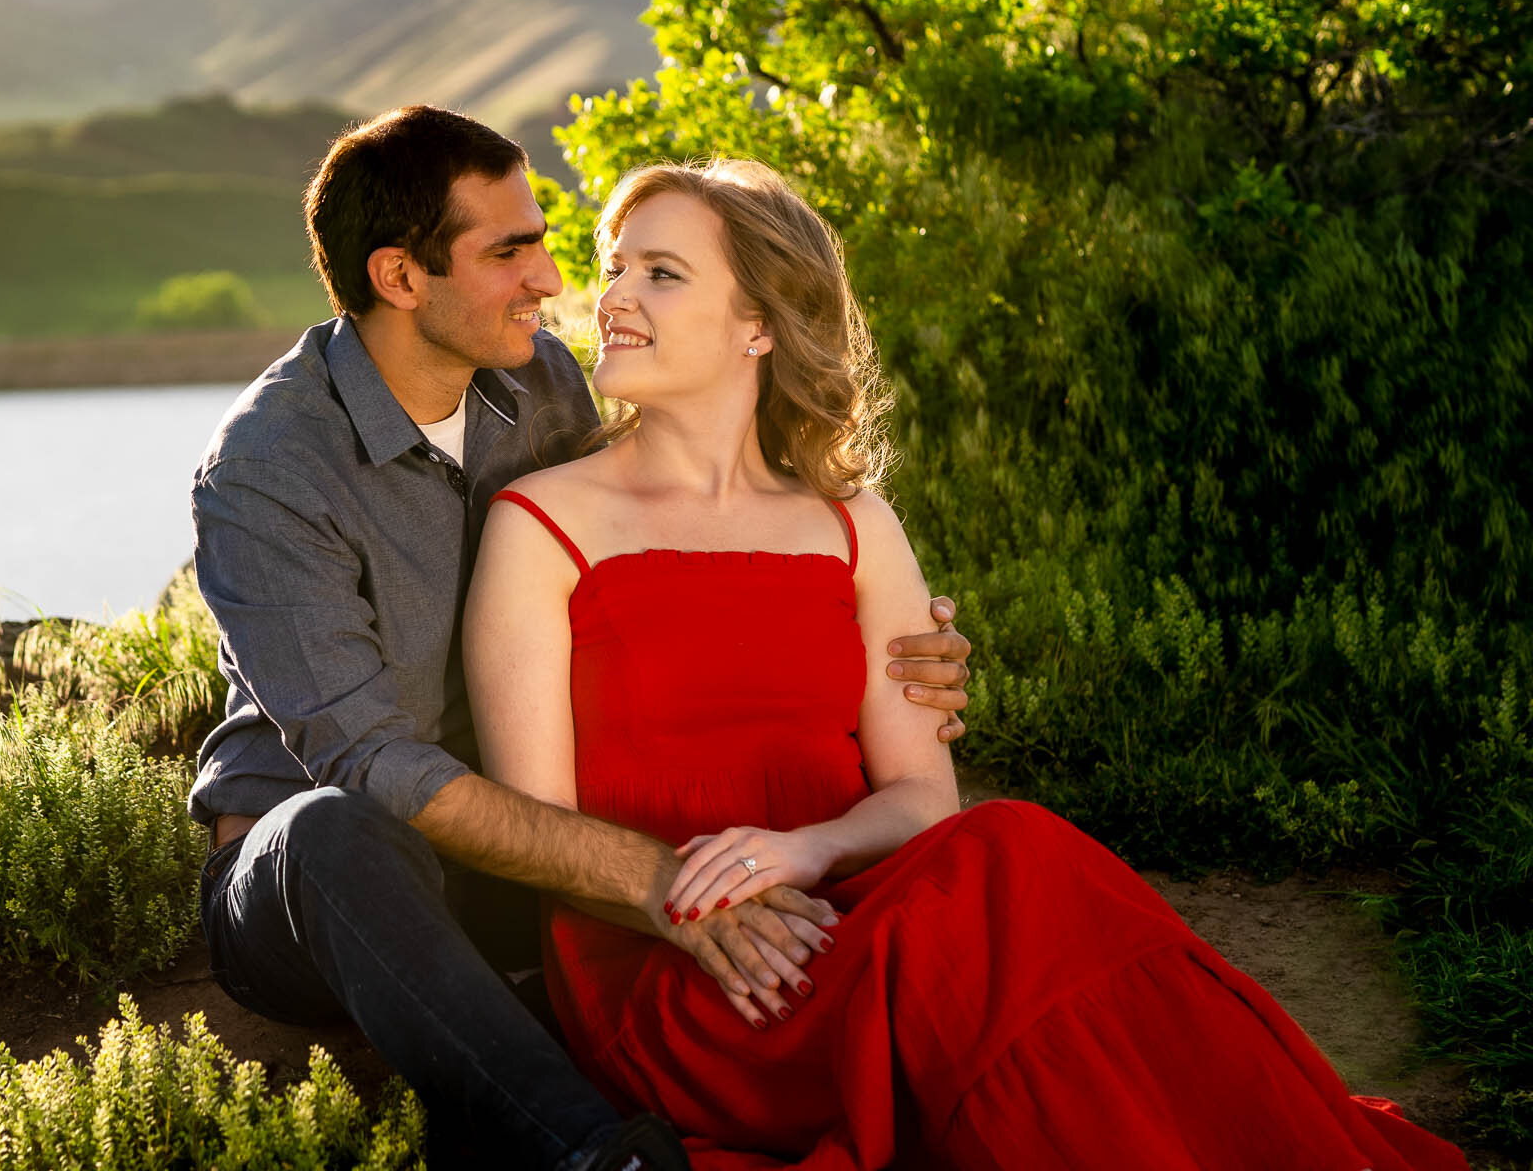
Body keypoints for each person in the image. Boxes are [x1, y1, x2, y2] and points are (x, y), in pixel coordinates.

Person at [463, 158, 1467, 1171]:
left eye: (662, 274)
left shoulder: (856, 528)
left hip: (853, 918)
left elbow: (918, 800)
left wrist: (805, 848)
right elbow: (536, 832)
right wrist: (694, 899)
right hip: (689, 967)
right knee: (1003, 877)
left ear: (759, 323)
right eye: (615, 266)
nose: (616, 298)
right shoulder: (544, 523)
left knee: (1009, 857)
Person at [186, 107, 974, 1171]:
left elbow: (662, 552)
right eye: (511, 251)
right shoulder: (270, 467)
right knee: (337, 831)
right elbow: (376, 764)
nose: (555, 281)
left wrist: (880, 643)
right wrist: (648, 880)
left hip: (520, 844)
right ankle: (598, 1154)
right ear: (402, 278)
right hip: (322, 882)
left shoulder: (541, 380)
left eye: (549, 242)